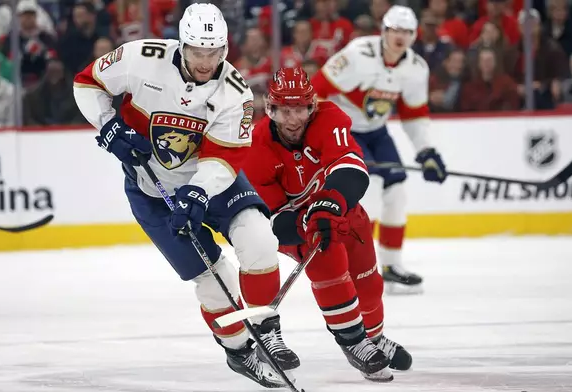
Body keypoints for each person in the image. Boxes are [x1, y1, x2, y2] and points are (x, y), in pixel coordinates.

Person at [72, 3, 298, 388]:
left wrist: (197, 192)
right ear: (182, 45)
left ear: (225, 48)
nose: (207, 61)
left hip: (213, 181)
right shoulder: (139, 57)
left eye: (215, 52)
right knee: (213, 279)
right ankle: (241, 351)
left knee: (259, 238)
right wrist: (110, 125)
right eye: (198, 52)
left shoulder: (235, 92)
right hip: (151, 190)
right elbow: (87, 82)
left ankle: (267, 328)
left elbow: (225, 156)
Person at [242, 67, 412, 382]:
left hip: (343, 210)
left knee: (370, 286)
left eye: (300, 110)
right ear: (271, 108)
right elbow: (272, 217)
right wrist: (308, 219)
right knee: (327, 257)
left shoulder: (329, 118)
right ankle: (353, 342)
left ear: (312, 107)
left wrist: (329, 202)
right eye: (285, 110)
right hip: (297, 223)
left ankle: (374, 337)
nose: (293, 120)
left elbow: (350, 165)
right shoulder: (256, 147)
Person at [311, 5, 449, 295]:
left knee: (396, 192)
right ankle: (358, 265)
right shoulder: (357, 54)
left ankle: (391, 266)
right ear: (383, 31)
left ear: (414, 36)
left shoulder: (415, 68)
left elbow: (414, 115)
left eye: (407, 32)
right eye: (395, 30)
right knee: (370, 189)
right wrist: (319, 134)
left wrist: (426, 151)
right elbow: (317, 89)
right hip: (345, 128)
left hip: (376, 132)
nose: (400, 36)